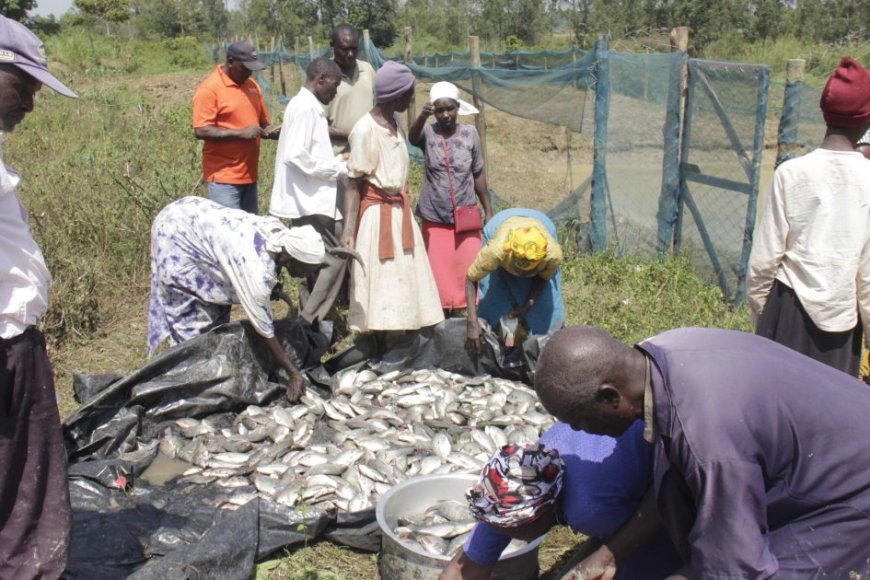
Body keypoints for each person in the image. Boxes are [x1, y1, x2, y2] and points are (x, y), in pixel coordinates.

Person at [535, 325, 870, 578]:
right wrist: (608, 554)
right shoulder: (661, 355)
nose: (579, 433)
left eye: (579, 421)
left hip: (852, 485)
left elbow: (737, 566)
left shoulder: (705, 435)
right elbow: (674, 481)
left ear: (610, 397)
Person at [0, 16, 77, 578]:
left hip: (15, 343)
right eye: (23, 84)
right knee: (20, 483)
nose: (31, 101)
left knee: (21, 480)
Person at [747, 56, 870, 376]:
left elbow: (762, 264)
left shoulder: (791, 174)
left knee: (775, 408)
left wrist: (764, 319)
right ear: (864, 121)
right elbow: (867, 276)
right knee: (828, 416)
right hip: (841, 328)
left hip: (786, 315)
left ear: (824, 114)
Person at [441, 422, 682, 580]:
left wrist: (600, 562)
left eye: (509, 529)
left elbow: (639, 539)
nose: (501, 532)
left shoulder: (589, 506)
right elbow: (464, 569)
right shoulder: (506, 497)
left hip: (675, 447)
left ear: (540, 515)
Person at [148, 196, 328, 401]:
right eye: (307, 270)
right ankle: (184, 389)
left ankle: (207, 373)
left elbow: (269, 266)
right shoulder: (256, 271)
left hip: (195, 219)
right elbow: (265, 330)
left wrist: (274, 284)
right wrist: (293, 373)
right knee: (192, 327)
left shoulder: (278, 234)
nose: (307, 276)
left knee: (216, 320)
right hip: (176, 235)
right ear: (291, 258)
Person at [340, 61, 444, 350]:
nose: (411, 100)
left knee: (406, 272)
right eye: (409, 94)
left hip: (400, 211)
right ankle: (380, 344)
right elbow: (353, 183)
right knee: (381, 274)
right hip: (377, 216)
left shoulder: (394, 123)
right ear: (395, 96)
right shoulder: (365, 129)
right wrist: (349, 229)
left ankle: (408, 335)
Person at [269, 58, 348, 324]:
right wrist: (335, 168)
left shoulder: (306, 106)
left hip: (307, 198)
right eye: (334, 85)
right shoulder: (305, 108)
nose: (335, 92)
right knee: (336, 258)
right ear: (321, 79)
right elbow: (296, 156)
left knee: (309, 262)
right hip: (312, 200)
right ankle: (310, 320)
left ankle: (310, 321)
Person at [408, 81, 493, 316]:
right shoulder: (428, 133)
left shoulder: (470, 134)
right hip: (435, 215)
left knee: (470, 267)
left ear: (458, 108)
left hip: (466, 216)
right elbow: (412, 138)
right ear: (433, 110)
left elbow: (477, 173)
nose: (445, 115)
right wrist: (421, 118)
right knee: (438, 273)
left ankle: (469, 317)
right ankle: (440, 317)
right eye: (440, 110)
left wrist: (488, 208)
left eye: (450, 109)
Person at [192, 40, 280, 214]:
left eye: (251, 69)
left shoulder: (252, 86)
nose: (249, 74)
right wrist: (240, 134)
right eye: (245, 68)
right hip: (224, 177)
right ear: (230, 62)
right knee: (228, 234)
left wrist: (273, 131)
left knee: (249, 232)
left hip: (250, 174)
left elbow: (263, 122)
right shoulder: (210, 89)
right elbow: (201, 130)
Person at [465, 208, 565, 353]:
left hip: (542, 223)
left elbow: (544, 277)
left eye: (529, 272)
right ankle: (492, 350)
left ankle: (545, 351)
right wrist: (472, 322)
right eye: (519, 271)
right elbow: (470, 278)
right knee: (492, 303)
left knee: (546, 313)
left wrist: (529, 303)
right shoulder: (496, 251)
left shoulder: (552, 255)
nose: (523, 275)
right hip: (500, 226)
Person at [327, 24, 377, 156]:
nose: (350, 54)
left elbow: (380, 109)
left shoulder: (367, 70)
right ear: (332, 45)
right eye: (344, 49)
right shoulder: (323, 77)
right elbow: (315, 126)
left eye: (354, 49)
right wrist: (354, 134)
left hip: (369, 154)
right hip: (338, 159)